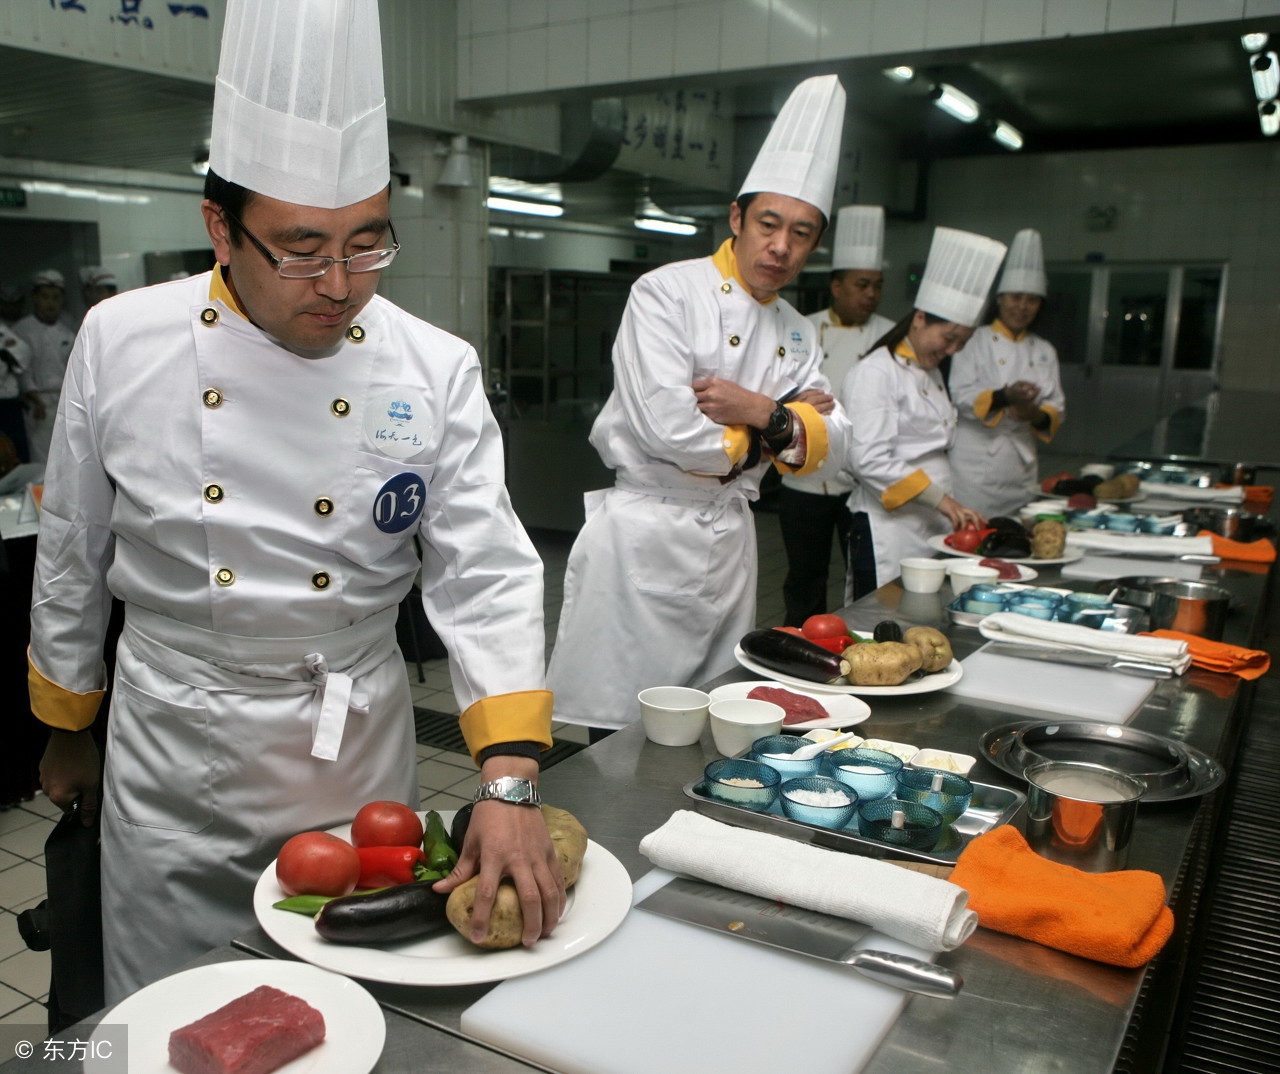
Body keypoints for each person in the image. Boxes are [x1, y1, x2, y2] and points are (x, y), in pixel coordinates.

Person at [30, 0, 560, 1004]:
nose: (340, 283)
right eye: (302, 247)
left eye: (367, 243)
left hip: (351, 731)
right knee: (171, 1001)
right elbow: (74, 546)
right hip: (173, 727)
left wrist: (508, 779)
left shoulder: (430, 364)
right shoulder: (121, 337)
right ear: (218, 228)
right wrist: (66, 717)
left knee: (347, 987)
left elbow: (484, 570)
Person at [547, 75, 850, 733]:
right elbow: (671, 430)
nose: (780, 247)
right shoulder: (667, 294)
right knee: (621, 728)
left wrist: (752, 408)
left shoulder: (800, 329)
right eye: (769, 224)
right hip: (645, 536)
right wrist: (780, 424)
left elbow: (835, 440)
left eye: (801, 234)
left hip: (730, 540)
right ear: (737, 218)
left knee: (715, 717)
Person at [842, 227, 1006, 599]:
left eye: (960, 344)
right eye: (948, 338)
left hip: (927, 524)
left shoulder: (930, 372)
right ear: (919, 319)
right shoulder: (876, 372)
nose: (951, 350)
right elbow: (868, 458)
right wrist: (943, 501)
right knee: (880, 619)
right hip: (888, 528)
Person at [779, 205, 895, 625]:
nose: (871, 294)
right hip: (804, 482)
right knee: (804, 576)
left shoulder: (890, 335)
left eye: (878, 286)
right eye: (862, 284)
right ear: (836, 285)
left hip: (860, 482)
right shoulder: (801, 330)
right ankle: (799, 647)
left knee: (861, 573)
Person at [949, 229, 1065, 516]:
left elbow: (1056, 408)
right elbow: (960, 395)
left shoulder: (1044, 349)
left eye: (1032, 300)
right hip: (975, 469)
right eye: (1015, 297)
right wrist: (1005, 397)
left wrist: (1032, 414)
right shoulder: (973, 340)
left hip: (1019, 466)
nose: (1022, 307)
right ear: (999, 299)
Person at [14, 269, 76, 463]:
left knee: (65, 459)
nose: (50, 303)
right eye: (45, 297)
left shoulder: (68, 333)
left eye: (56, 297)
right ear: (35, 297)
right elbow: (22, 370)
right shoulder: (22, 330)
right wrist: (35, 399)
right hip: (36, 405)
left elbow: (73, 371)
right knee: (41, 460)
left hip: (63, 401)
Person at [0, 323, 33, 462]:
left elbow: (23, 353)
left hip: (8, 404)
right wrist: (5, 358)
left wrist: (7, 356)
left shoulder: (2, 329)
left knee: (17, 453)